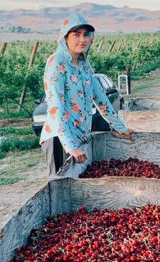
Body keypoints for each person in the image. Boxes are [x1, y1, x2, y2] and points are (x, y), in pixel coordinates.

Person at [40, 13, 132, 177]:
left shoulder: (84, 65)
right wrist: (70, 146)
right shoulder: (57, 62)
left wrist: (121, 128)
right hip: (60, 138)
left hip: (80, 138)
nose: (82, 39)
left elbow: (100, 99)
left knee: (79, 189)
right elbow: (56, 107)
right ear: (65, 37)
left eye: (86, 35)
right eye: (76, 34)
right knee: (61, 189)